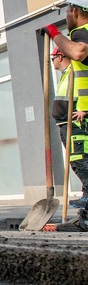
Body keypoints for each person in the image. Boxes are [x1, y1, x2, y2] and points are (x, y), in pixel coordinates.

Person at [51, 47, 88, 207]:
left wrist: (85, 109)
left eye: (52, 58)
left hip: (75, 124)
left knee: (80, 160)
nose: (51, 61)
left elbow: (85, 86)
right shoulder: (66, 74)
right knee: (76, 161)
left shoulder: (76, 69)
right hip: (66, 124)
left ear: (60, 57)